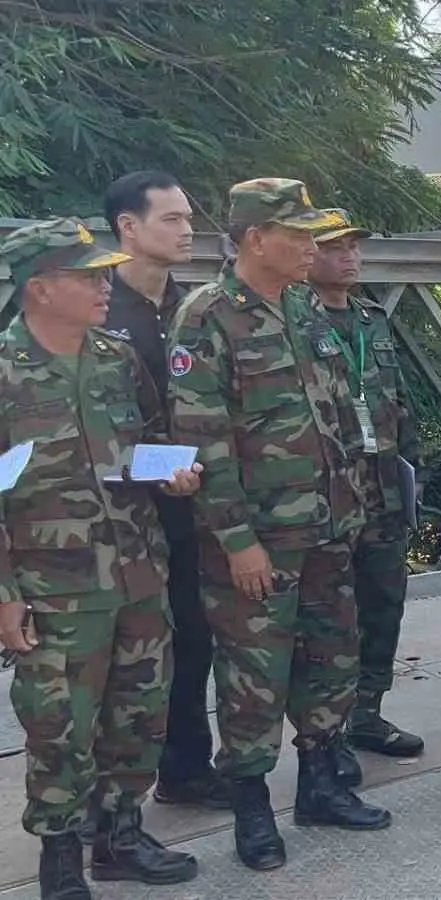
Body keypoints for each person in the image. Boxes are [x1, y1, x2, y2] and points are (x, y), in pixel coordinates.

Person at [167, 178, 391, 871]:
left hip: (329, 527)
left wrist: (354, 509)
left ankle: (322, 782)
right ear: (255, 239)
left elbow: (336, 412)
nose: (312, 246)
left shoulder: (303, 305)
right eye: (298, 234)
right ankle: (252, 806)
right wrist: (237, 541)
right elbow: (204, 442)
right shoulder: (208, 317)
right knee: (253, 676)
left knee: (331, 659)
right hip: (259, 540)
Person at [1, 218, 203, 899]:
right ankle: (61, 857)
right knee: (60, 728)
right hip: (54, 588)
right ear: (39, 288)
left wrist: (172, 472)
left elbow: (147, 437)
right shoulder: (5, 371)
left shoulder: (117, 357)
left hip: (139, 573)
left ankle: (121, 835)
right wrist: (4, 594)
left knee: (139, 716)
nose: (101, 286)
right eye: (85, 276)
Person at [99, 172, 232, 812]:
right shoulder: (96, 309)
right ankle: (111, 803)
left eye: (188, 219)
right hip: (117, 520)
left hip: (191, 504)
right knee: (126, 660)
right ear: (128, 226)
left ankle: (186, 768)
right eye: (172, 220)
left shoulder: (193, 306)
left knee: (194, 640)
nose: (187, 231)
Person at [307, 211, 428, 773]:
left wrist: (412, 475)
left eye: (354, 246)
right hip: (326, 498)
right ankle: (323, 732)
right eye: (336, 247)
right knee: (329, 617)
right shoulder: (293, 320)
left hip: (380, 490)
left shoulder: (372, 318)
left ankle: (368, 712)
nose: (350, 257)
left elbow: (398, 403)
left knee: (384, 603)